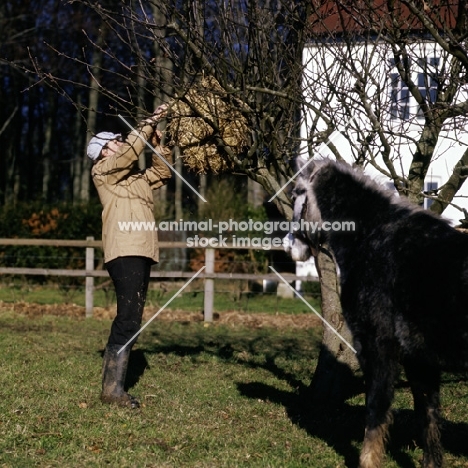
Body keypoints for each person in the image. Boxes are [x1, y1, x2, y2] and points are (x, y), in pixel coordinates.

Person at [87, 105, 172, 409]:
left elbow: (162, 172)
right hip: (124, 251)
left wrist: (159, 145)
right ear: (103, 152)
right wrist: (149, 122)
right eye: (115, 141)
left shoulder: (134, 179)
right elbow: (129, 153)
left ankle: (114, 387)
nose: (121, 142)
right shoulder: (102, 172)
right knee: (128, 318)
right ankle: (111, 391)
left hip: (140, 251)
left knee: (132, 318)